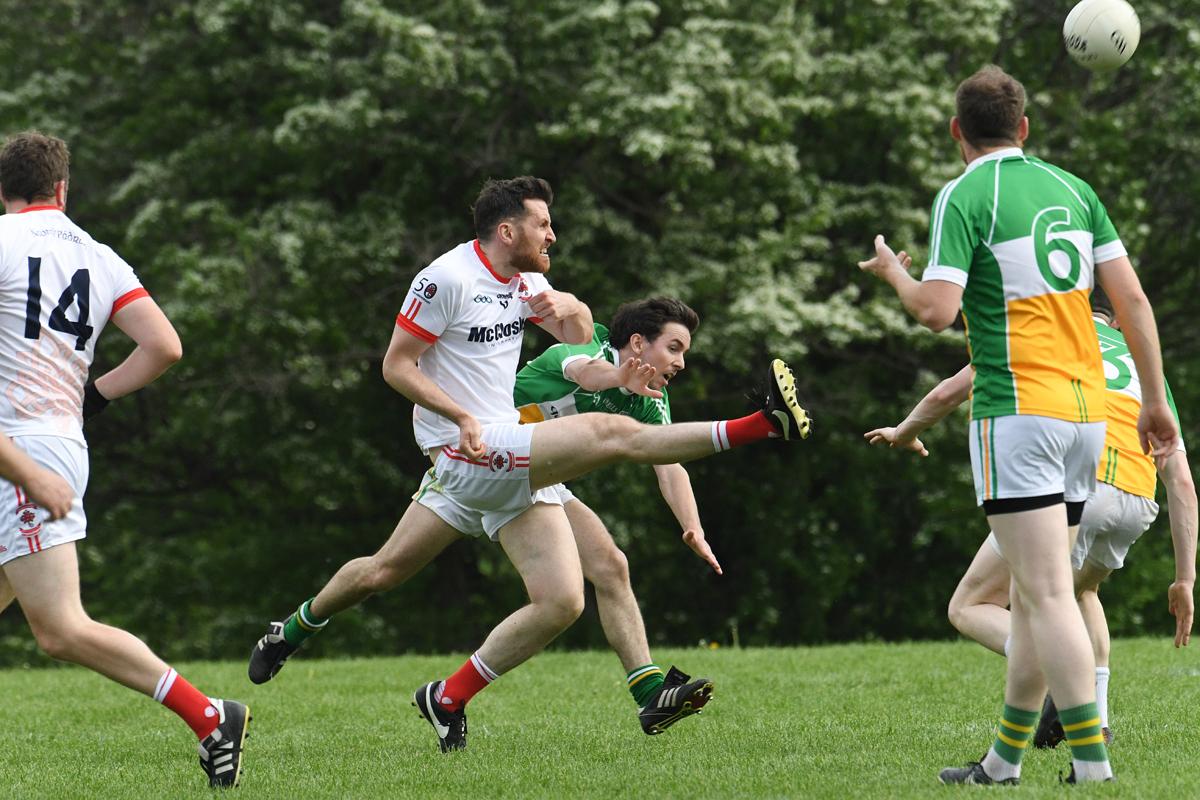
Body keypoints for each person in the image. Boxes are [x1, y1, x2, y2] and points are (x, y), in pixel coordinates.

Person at [249, 177, 811, 754]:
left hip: (508, 448)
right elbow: (397, 367)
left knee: (567, 598)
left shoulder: (527, 281)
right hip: (463, 448)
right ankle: (764, 424)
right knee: (610, 436)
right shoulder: (444, 279)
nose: (553, 234)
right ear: (507, 229)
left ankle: (449, 697)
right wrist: (459, 415)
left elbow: (577, 342)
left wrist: (574, 307)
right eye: (544, 224)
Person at [858, 67, 1178, 785]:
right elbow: (1130, 299)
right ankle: (1002, 763)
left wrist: (893, 275)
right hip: (1086, 415)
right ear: (1024, 127)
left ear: (956, 132)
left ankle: (1093, 769)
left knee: (1046, 594)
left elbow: (936, 311)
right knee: (1041, 594)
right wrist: (1155, 399)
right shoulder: (1074, 190)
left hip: (1018, 414)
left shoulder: (965, 193)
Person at [0, 132, 248, 788]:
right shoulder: (99, 255)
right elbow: (164, 345)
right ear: (61, 189)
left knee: (58, 629)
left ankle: (209, 715)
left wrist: (26, 472)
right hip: (59, 443)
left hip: (22, 454)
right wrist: (94, 397)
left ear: (4, 191)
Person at [865, 287, 1196, 749]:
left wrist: (905, 431)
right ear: (1117, 321)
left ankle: (1064, 681)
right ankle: (1095, 719)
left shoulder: (1043, 334)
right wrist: (1185, 579)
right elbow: (1181, 483)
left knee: (970, 605)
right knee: (1080, 593)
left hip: (1076, 488)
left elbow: (946, 393)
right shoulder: (1145, 368)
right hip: (1137, 500)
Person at [513, 295, 718, 734]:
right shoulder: (586, 349)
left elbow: (670, 463)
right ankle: (322, 614)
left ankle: (652, 697)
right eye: (675, 348)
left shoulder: (650, 401)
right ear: (639, 343)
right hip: (483, 460)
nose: (681, 364)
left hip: (528, 480)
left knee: (611, 565)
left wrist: (693, 527)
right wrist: (619, 379)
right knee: (383, 571)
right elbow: (587, 376)